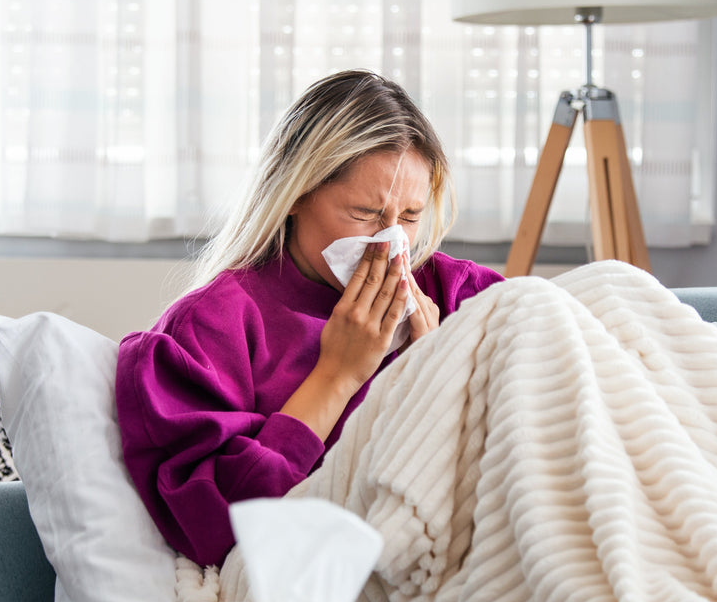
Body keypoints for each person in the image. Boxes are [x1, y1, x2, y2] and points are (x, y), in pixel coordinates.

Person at [115, 70, 504, 568]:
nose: (391, 243)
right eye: (366, 213)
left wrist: (437, 373)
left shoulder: (459, 294)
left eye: (409, 217)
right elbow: (218, 530)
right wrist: (336, 375)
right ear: (296, 194)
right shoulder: (211, 328)